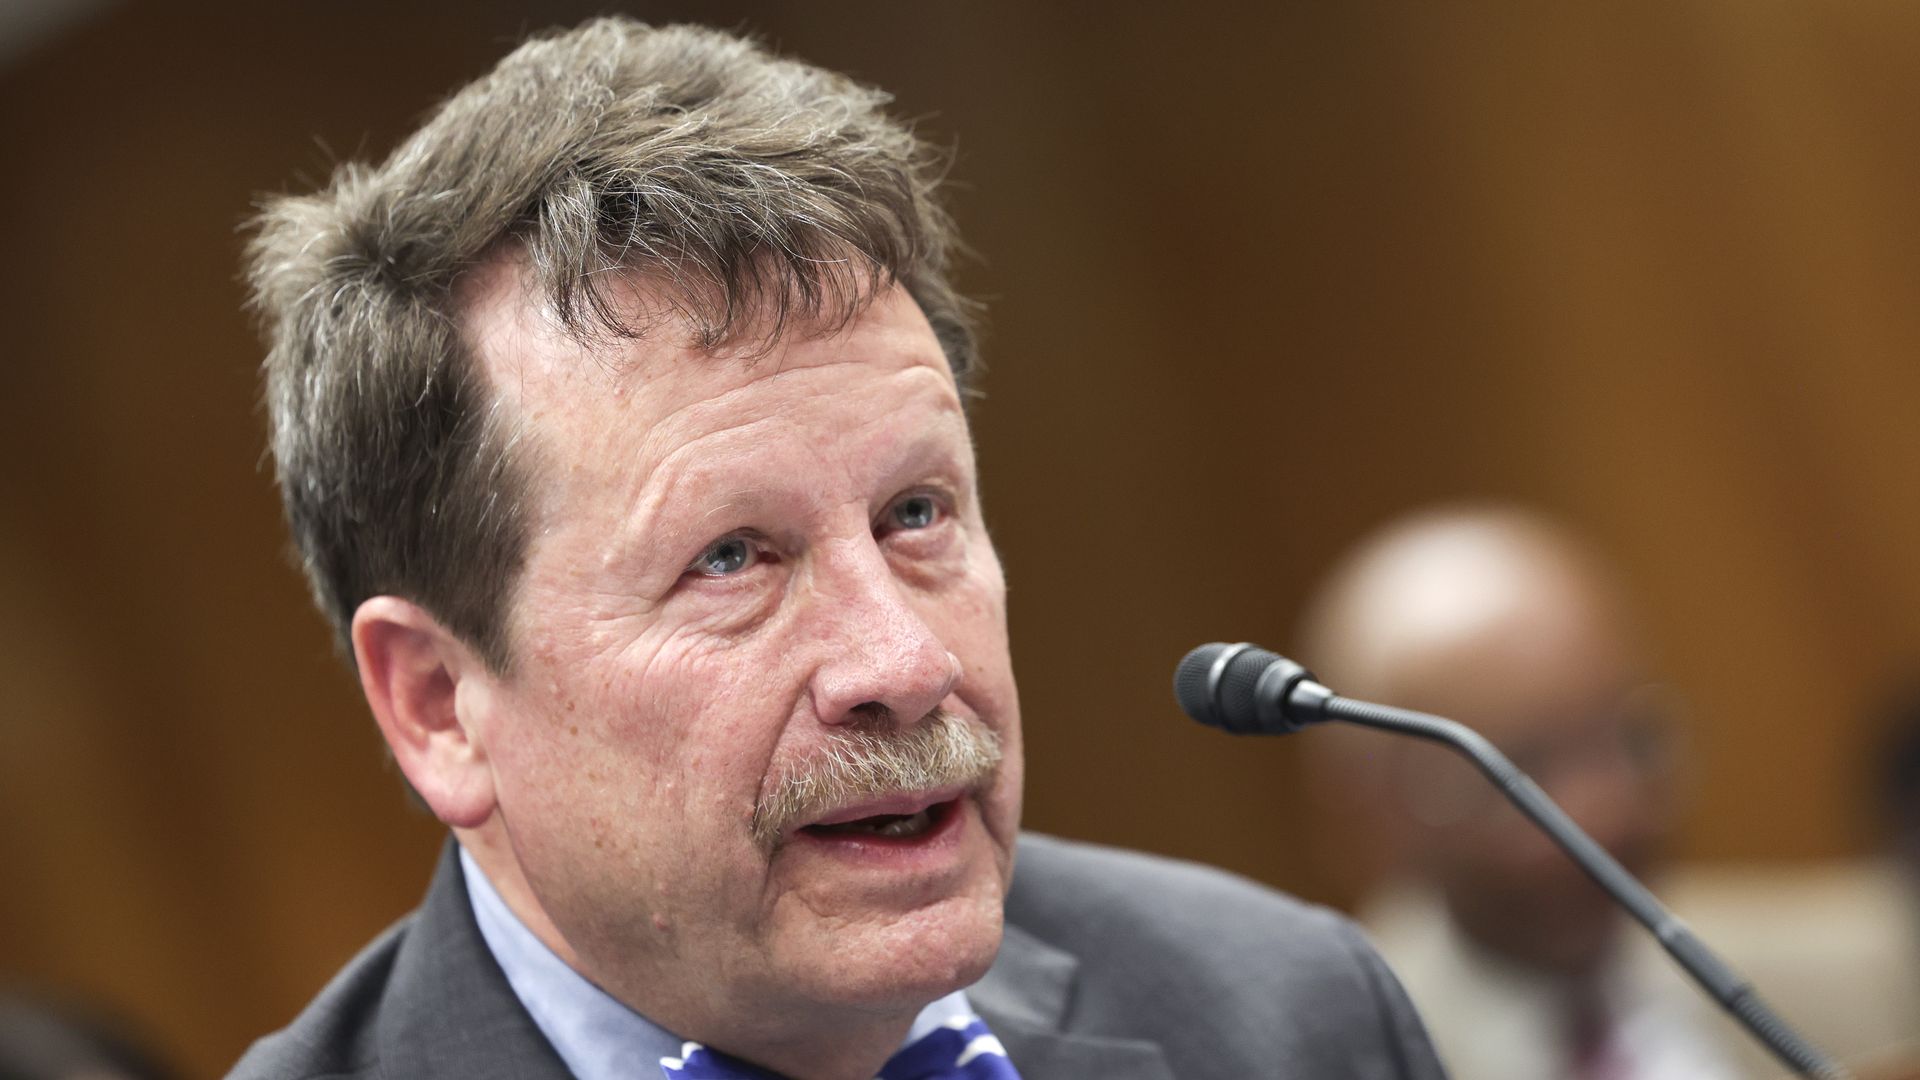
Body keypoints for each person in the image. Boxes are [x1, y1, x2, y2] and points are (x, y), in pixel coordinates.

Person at [230, 18, 1446, 1080]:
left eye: (916, 514)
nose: (905, 664)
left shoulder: (1285, 1011)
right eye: (731, 559)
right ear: (440, 703)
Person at [1295, 506, 1742, 1080]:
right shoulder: (1340, 1060)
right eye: (1518, 772)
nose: (1602, 812)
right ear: (1375, 816)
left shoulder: (1846, 982)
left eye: (1630, 738)